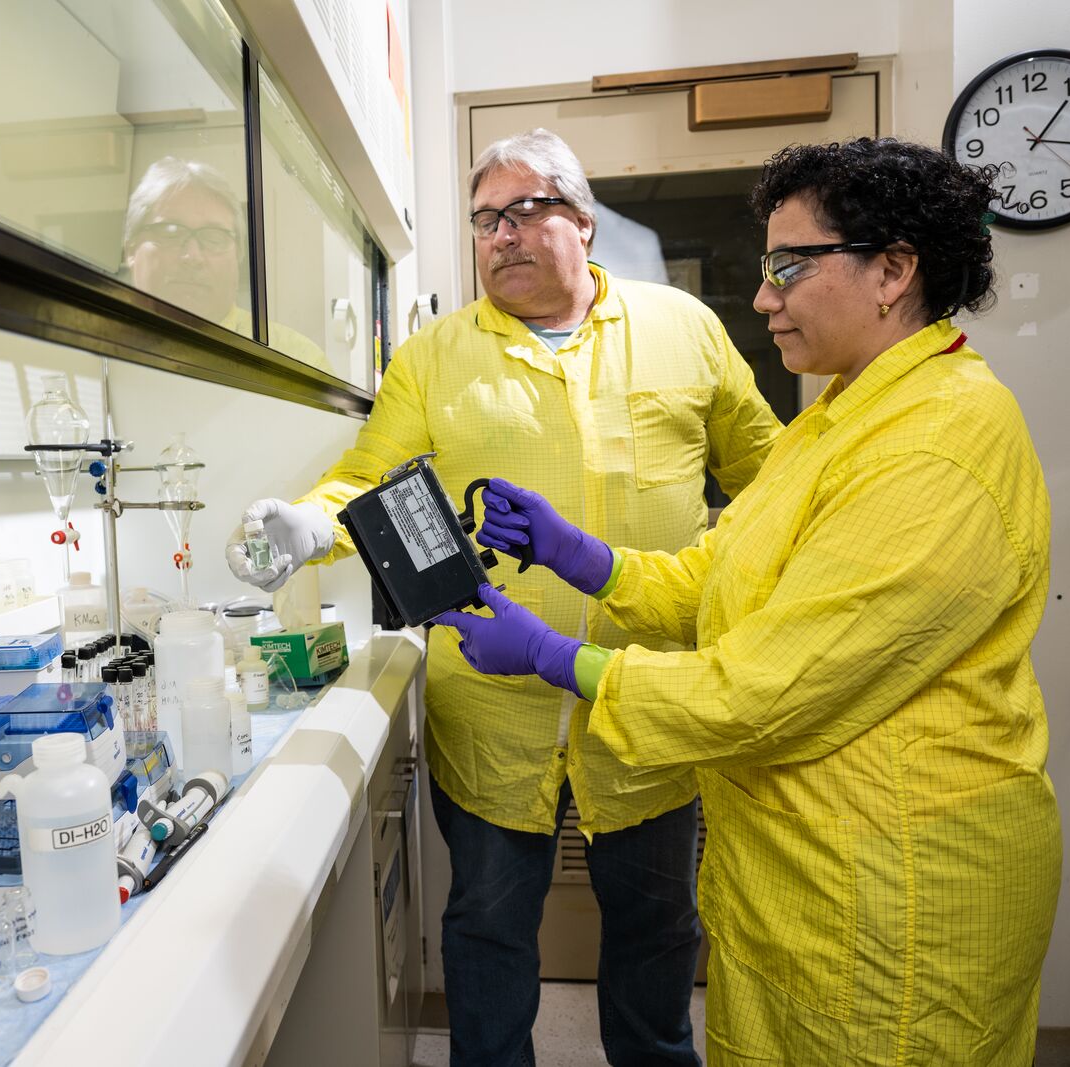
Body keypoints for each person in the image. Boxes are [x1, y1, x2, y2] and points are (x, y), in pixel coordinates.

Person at [438, 138, 1060, 1066]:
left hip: (894, 893)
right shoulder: (840, 417)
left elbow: (763, 688)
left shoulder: (936, 445)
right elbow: (724, 576)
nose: (764, 297)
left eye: (788, 269)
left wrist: (556, 658)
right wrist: (591, 560)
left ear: (893, 270)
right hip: (806, 873)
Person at [226, 128, 782, 1066]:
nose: (503, 235)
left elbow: (771, 472)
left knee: (658, 937)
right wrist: (317, 526)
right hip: (491, 712)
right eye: (486, 219)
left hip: (646, 703)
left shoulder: (684, 330)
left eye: (527, 211)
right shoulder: (434, 357)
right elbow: (368, 474)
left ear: (584, 224)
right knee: (486, 933)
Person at [123, 156, 331, 372]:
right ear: (130, 249)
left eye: (214, 238)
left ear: (238, 255)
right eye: (170, 232)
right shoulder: (94, 343)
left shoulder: (299, 362)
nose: (193, 257)